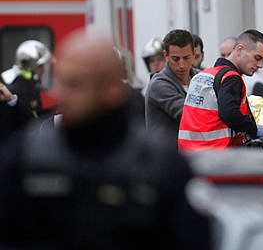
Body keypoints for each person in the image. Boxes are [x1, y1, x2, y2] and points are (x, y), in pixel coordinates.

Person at [0, 29, 211, 249]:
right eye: (61, 82)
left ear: (113, 88)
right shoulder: (24, 159)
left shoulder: (162, 166)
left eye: (76, 84)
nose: (61, 94)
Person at [179, 29, 263, 150]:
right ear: (240, 49)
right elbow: (229, 114)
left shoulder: (203, 75)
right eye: (257, 58)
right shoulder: (231, 78)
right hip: (215, 156)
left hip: (189, 153)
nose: (260, 65)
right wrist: (253, 129)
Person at [145, 29, 199, 144]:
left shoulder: (200, 78)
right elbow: (187, 114)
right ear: (166, 55)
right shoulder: (158, 84)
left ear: (194, 54)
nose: (181, 65)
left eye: (186, 58)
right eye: (176, 59)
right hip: (165, 158)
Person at [1, 39, 53, 119]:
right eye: (41, 66)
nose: (43, 70)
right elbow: (26, 120)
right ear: (32, 66)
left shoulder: (30, 84)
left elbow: (35, 115)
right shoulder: (16, 88)